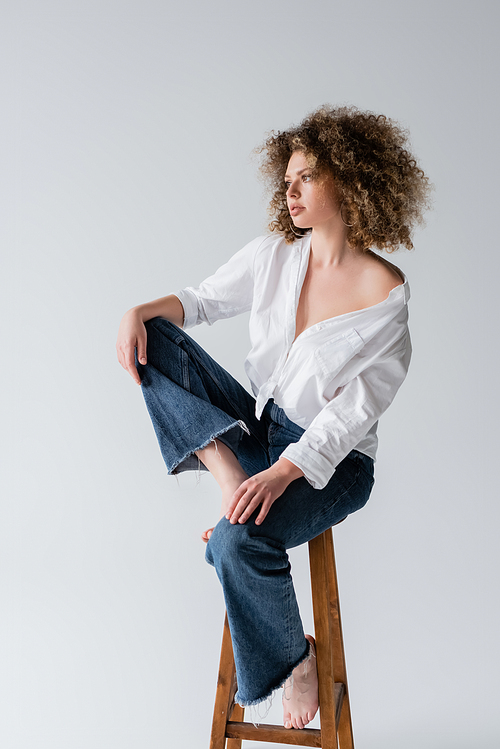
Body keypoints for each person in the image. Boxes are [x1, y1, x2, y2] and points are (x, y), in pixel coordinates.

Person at [116, 105, 431, 730]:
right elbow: (202, 302)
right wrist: (139, 310)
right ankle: (226, 477)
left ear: (350, 179)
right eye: (285, 179)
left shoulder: (385, 297)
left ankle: (294, 662)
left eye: (306, 177)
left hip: (328, 464)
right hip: (257, 433)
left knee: (233, 544)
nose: (289, 191)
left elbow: (349, 419)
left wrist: (283, 474)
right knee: (157, 335)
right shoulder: (275, 256)